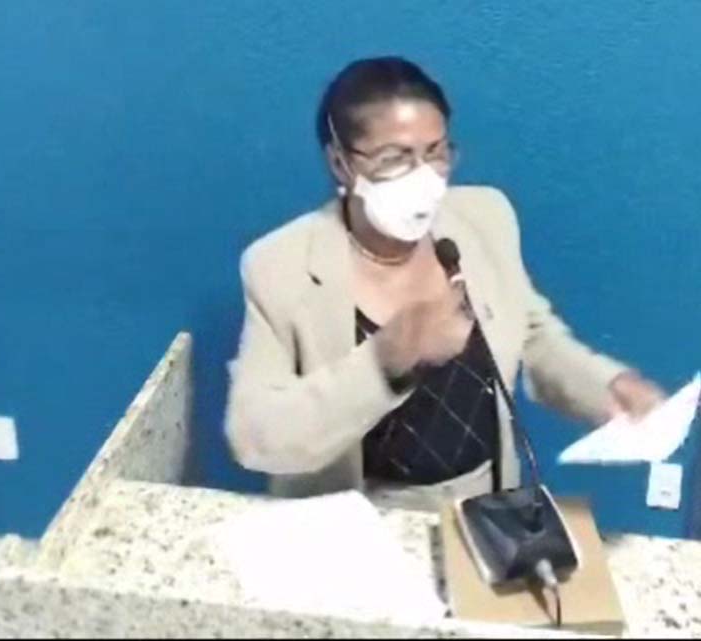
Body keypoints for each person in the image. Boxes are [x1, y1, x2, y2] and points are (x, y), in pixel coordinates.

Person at [225, 57, 664, 510]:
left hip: (484, 509)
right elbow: (255, 435)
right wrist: (381, 363)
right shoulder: (280, 264)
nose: (424, 178)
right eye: (394, 159)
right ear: (341, 164)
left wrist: (605, 388)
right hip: (357, 521)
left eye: (435, 153)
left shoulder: (484, 218)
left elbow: (534, 335)